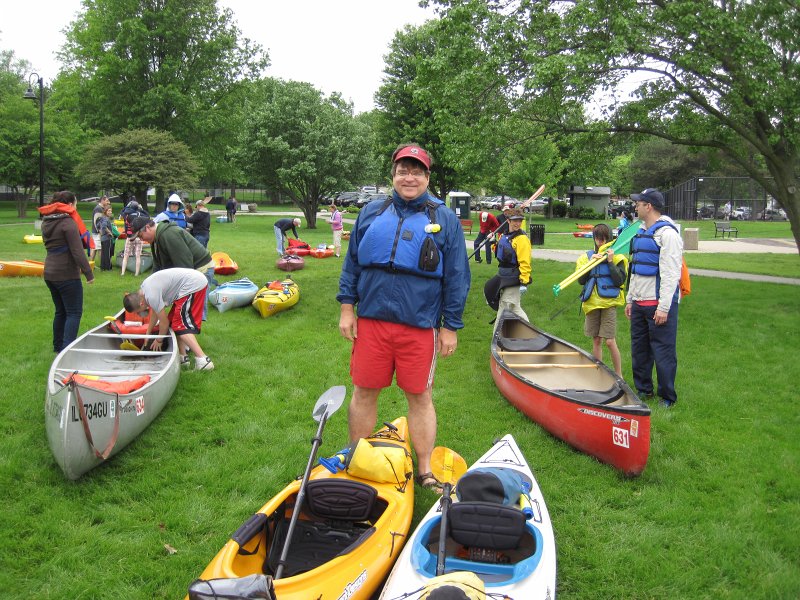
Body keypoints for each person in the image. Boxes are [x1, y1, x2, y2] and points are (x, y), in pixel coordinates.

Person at [337, 143, 470, 491]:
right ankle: (357, 456)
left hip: (419, 326)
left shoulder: (444, 219)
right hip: (373, 324)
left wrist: (451, 326)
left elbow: (457, 277)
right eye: (402, 170)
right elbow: (351, 263)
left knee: (420, 397)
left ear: (427, 176)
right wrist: (347, 307)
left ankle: (425, 470)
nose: (408, 177)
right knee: (364, 391)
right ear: (393, 175)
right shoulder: (371, 212)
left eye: (416, 171)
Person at [624, 188, 684, 408]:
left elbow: (671, 274)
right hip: (640, 303)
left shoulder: (667, 234)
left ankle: (667, 397)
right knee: (639, 350)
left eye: (638, 203)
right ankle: (643, 390)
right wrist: (630, 299)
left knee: (663, 351)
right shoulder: (640, 231)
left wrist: (664, 308)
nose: (635, 206)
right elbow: (636, 270)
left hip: (658, 305)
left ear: (648, 206)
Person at [123, 268, 214, 371]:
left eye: (138, 311)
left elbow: (164, 323)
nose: (139, 314)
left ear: (141, 304)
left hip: (193, 284)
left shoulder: (151, 295)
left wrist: (159, 340)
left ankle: (203, 361)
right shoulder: (144, 291)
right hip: (187, 286)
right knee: (175, 323)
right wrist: (148, 333)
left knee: (180, 325)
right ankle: (183, 357)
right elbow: (155, 313)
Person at [38, 191, 95, 352]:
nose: (76, 208)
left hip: (49, 272)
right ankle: (66, 351)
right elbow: (77, 251)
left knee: (60, 311)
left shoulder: (46, 222)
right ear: (69, 205)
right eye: (75, 204)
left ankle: (58, 347)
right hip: (66, 274)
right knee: (74, 312)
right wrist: (88, 273)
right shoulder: (68, 223)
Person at [129, 216, 215, 320]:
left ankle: (189, 332)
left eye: (140, 235)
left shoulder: (169, 235)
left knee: (191, 314)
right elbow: (157, 268)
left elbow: (185, 264)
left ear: (147, 227)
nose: (142, 240)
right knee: (182, 315)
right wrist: (146, 289)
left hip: (200, 269)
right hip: (190, 270)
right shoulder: (156, 239)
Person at [575, 223, 628, 376]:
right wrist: (591, 263)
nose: (601, 242)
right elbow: (581, 280)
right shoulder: (586, 257)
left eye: (604, 239)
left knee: (610, 341)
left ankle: (619, 376)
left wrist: (610, 262)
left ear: (609, 239)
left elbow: (619, 281)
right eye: (598, 239)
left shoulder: (619, 258)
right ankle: (598, 374)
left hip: (609, 303)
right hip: (592, 303)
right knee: (596, 340)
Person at [491, 207, 531, 329]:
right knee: (515, 308)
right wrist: (492, 242)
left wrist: (524, 281)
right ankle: (531, 334)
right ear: (508, 221)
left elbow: (525, 262)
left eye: (519, 220)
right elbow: (500, 253)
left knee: (503, 309)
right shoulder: (506, 235)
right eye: (514, 221)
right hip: (504, 277)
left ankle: (496, 342)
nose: (517, 223)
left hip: (513, 278)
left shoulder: (521, 239)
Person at [119, 198, 149, 276]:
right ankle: (136, 273)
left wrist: (127, 206)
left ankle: (122, 273)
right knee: (138, 255)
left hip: (130, 237)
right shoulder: (140, 214)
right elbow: (147, 216)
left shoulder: (126, 215)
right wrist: (141, 209)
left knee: (126, 255)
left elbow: (122, 211)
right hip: (139, 237)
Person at [89, 195, 110, 260]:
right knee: (100, 248)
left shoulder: (101, 208)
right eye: (106, 201)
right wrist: (100, 232)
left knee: (94, 248)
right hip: (97, 232)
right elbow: (97, 221)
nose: (108, 202)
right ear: (102, 200)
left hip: (96, 232)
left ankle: (91, 263)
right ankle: (102, 265)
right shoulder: (98, 208)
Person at [96, 205, 116, 271]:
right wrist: (109, 232)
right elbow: (104, 226)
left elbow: (98, 225)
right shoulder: (106, 219)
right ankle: (108, 268)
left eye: (111, 211)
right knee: (107, 253)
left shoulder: (102, 217)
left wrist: (100, 231)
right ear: (105, 211)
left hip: (102, 238)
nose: (110, 212)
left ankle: (103, 267)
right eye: (109, 211)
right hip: (107, 238)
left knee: (103, 253)